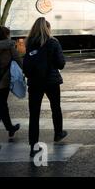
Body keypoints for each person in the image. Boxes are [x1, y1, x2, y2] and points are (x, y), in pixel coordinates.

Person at [24, 17, 67, 157]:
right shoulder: (53, 42)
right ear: (48, 28)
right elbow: (61, 63)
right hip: (51, 81)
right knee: (55, 107)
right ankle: (58, 133)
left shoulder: (29, 42)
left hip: (34, 82)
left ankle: (33, 145)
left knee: (34, 114)